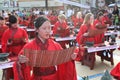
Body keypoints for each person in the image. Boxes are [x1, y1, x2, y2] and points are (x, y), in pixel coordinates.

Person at [1, 15, 28, 80]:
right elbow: (3, 44)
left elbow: (27, 42)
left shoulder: (22, 31)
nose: (15, 25)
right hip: (11, 54)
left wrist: (25, 41)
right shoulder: (6, 32)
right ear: (10, 23)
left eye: (16, 23)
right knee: (11, 72)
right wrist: (7, 44)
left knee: (22, 70)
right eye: (13, 24)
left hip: (21, 53)